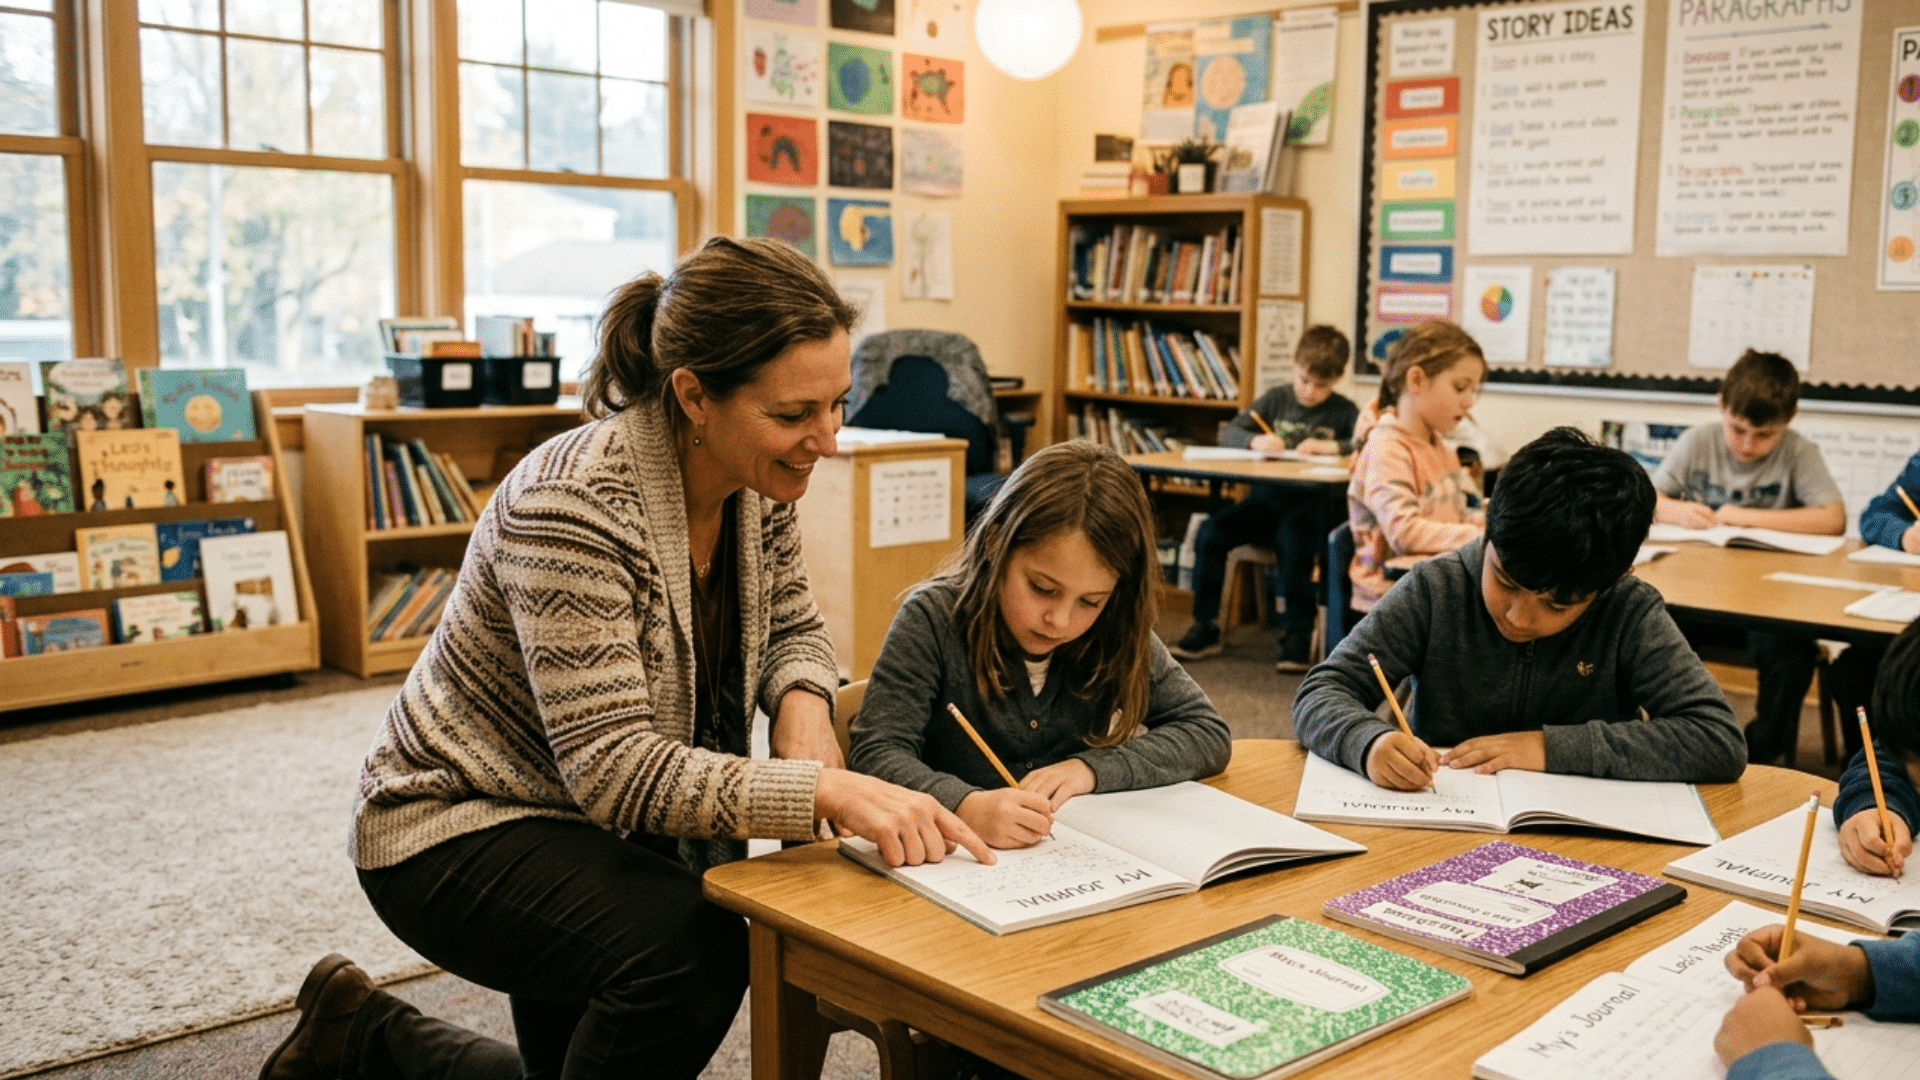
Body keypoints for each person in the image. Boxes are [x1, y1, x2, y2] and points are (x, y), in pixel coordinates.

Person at [260, 238, 992, 1080]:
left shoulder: (752, 480)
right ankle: (364, 1034)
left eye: (838, 403)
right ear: (693, 396)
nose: (825, 440)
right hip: (455, 819)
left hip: (589, 822)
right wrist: (825, 788)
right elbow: (613, 769)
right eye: (794, 415)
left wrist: (801, 699)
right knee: (692, 952)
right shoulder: (571, 504)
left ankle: (359, 1034)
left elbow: (792, 622)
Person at [1294, 427, 1746, 791]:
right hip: (1445, 821)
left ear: (1614, 579)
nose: (1519, 616)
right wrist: (1368, 741)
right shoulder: (1438, 587)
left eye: (1556, 604)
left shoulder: (1628, 610)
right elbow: (1322, 691)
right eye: (1505, 582)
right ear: (1487, 527)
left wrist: (1550, 749)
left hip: (1587, 837)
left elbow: (1717, 738)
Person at [850, 440, 1233, 850]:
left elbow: (1205, 731)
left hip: (1064, 864)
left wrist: (1090, 769)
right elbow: (876, 752)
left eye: (1090, 601)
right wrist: (963, 804)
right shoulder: (933, 619)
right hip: (948, 860)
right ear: (995, 543)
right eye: (1042, 588)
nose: (1060, 621)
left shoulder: (1114, 626)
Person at [1653, 349, 1846, 766]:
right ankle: (1671, 737)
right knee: (1652, 625)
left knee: (1789, 652)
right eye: (1738, 429)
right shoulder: (1698, 441)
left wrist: (1743, 517)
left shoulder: (1798, 451)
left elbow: (1832, 519)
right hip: (1702, 592)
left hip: (1767, 601)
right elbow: (1649, 496)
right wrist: (1674, 509)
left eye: (1764, 435)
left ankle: (1763, 749)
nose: (1747, 445)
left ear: (1788, 422)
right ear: (1722, 404)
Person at [1170, 325, 1358, 672]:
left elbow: (1366, 444)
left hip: (1312, 509)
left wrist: (1335, 447)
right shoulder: (1276, 399)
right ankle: (1204, 625)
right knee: (1212, 531)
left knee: (1293, 539)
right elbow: (1231, 432)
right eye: (1303, 380)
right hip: (1266, 503)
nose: (1309, 391)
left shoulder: (1345, 412)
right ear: (1294, 364)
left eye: (1320, 385)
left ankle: (1297, 635)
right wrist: (1255, 442)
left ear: (1337, 379)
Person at [1345, 320, 1487, 616]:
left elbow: (1458, 515)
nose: (1469, 401)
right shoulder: (1387, 449)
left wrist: (1493, 521)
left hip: (1431, 587)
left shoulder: (1443, 449)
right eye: (1460, 387)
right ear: (1416, 380)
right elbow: (1405, 533)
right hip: (1388, 603)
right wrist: (1483, 536)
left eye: (1474, 390)